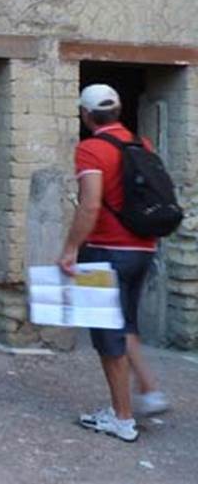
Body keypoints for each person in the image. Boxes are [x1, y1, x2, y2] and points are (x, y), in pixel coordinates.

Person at [57, 84, 170, 443]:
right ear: (119, 110)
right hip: (143, 250)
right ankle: (147, 391)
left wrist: (71, 247)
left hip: (106, 251)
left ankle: (122, 419)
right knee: (125, 323)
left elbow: (90, 204)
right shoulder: (142, 145)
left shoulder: (91, 149)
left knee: (108, 339)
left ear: (86, 116)